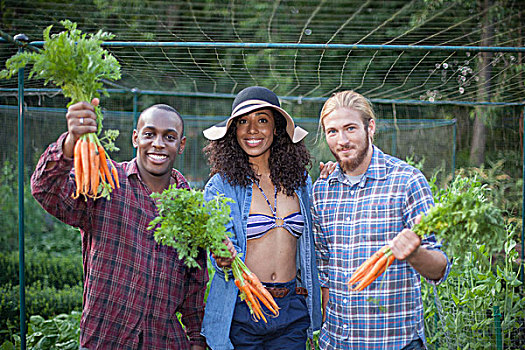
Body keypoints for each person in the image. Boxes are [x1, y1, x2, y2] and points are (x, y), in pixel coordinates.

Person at [30, 98, 207, 349]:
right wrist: (71, 141)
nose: (158, 144)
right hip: (105, 340)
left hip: (164, 342)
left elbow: (195, 285)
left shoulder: (191, 209)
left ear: (181, 145)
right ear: (135, 138)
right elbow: (45, 190)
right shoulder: (105, 182)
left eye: (169, 137)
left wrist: (197, 339)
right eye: (149, 134)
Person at [312, 90, 451, 350]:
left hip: (394, 341)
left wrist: (414, 253)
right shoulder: (322, 190)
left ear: (370, 127)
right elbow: (325, 270)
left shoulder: (407, 181)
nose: (342, 140)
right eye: (332, 131)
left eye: (350, 128)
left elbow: (440, 268)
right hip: (337, 343)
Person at [200, 86, 322, 349]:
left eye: (262, 120)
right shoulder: (221, 185)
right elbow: (219, 243)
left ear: (276, 128)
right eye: (243, 122)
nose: (252, 130)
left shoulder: (301, 182)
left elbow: (320, 235)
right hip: (243, 306)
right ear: (234, 132)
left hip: (291, 308)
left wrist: (333, 178)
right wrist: (222, 255)